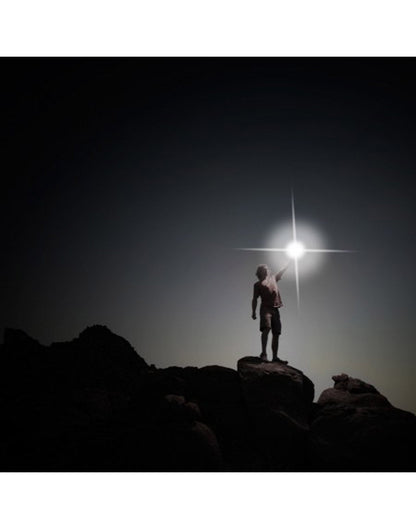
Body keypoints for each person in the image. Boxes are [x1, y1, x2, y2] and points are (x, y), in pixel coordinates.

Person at [251, 263, 289, 363]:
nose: (267, 270)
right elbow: (255, 299)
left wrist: (288, 263)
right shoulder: (257, 284)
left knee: (276, 333)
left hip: (275, 309)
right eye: (264, 269)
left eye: (267, 269)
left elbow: (281, 271)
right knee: (266, 328)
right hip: (265, 309)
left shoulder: (273, 278)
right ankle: (263, 353)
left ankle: (275, 357)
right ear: (260, 271)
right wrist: (253, 312)